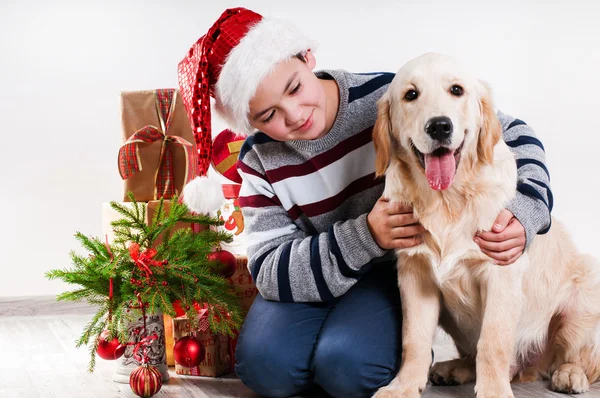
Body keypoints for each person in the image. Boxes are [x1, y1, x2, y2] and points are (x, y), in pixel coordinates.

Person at [177, 7, 553, 397]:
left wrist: (527, 211)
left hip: (385, 274)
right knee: (264, 367)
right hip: (315, 270)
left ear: (308, 58)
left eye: (294, 88)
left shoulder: (393, 95)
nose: (295, 115)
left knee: (346, 370)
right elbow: (269, 269)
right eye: (269, 114)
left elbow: (513, 132)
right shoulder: (257, 161)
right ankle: (327, 345)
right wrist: (365, 236)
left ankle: (343, 349)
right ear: (249, 121)